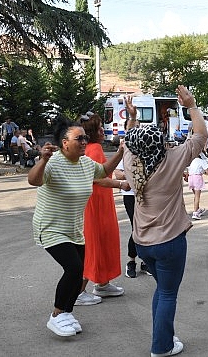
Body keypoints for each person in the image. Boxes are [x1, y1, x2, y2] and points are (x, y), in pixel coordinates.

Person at [122, 85, 206, 357]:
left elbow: (128, 140)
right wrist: (191, 105)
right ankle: (161, 346)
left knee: (163, 290)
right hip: (170, 243)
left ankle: (165, 337)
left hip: (143, 243)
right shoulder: (173, 159)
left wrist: (132, 117)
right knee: (168, 294)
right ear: (161, 142)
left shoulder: (131, 161)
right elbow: (201, 136)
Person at [28, 116, 123, 337]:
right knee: (73, 268)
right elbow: (33, 180)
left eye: (85, 138)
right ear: (65, 143)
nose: (84, 142)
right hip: (50, 227)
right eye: (79, 138)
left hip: (74, 228)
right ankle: (56, 314)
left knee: (80, 269)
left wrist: (119, 153)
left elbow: (102, 171)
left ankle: (67, 312)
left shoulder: (85, 163)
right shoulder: (53, 162)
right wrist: (41, 160)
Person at [75, 114, 125, 305]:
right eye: (99, 129)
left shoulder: (90, 149)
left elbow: (104, 171)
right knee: (94, 245)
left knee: (101, 243)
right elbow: (97, 177)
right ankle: (78, 291)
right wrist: (120, 184)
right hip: (96, 204)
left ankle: (103, 283)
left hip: (96, 203)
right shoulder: (94, 149)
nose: (103, 131)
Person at [114, 157, 151, 279]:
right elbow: (118, 174)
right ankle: (131, 261)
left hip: (148, 194)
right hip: (130, 195)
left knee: (147, 227)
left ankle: (145, 261)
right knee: (136, 227)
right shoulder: (127, 154)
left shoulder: (149, 153)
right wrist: (134, 174)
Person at [187, 151, 208, 220]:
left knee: (195, 195)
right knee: (197, 196)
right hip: (197, 178)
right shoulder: (201, 161)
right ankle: (195, 213)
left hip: (190, 178)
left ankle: (197, 209)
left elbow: (188, 171)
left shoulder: (192, 161)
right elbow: (207, 171)